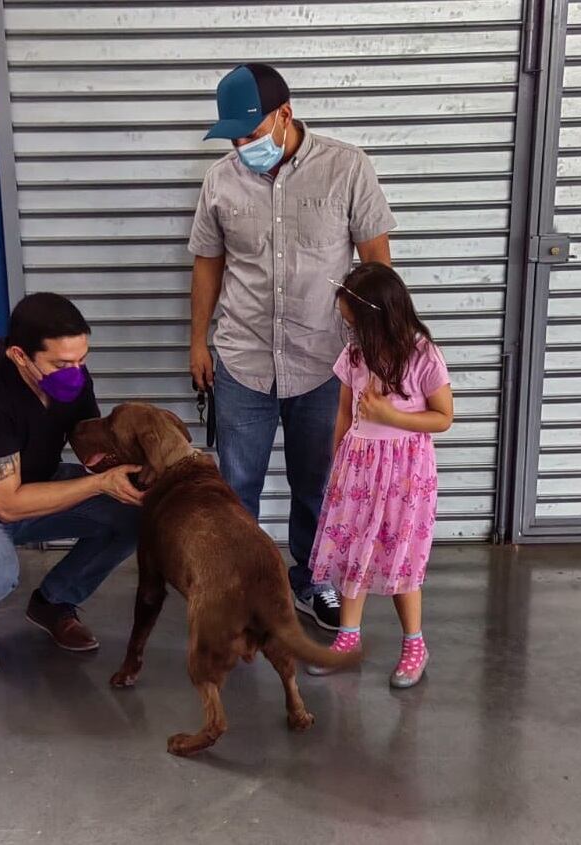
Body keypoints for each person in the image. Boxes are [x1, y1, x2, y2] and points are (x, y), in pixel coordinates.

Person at [188, 63, 396, 631]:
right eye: (232, 136)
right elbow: (209, 266)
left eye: (250, 134)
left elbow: (377, 265)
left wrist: (380, 355)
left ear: (285, 114)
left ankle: (312, 580)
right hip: (242, 357)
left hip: (324, 360)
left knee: (318, 483)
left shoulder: (346, 168)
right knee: (236, 485)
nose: (240, 146)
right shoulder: (220, 181)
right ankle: (240, 586)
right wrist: (198, 342)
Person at [0, 293, 143, 672]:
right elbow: (6, 505)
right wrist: (100, 484)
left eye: (82, 359)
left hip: (38, 483)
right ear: (20, 356)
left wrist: (148, 456)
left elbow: (91, 447)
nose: (76, 371)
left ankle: (54, 601)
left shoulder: (70, 378)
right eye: (62, 363)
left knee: (138, 511)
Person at [305, 263, 453, 688]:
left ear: (380, 318)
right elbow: (343, 411)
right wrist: (336, 461)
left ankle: (414, 645)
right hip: (360, 468)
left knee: (400, 558)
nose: (349, 334)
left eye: (354, 325)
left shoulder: (423, 354)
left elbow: (444, 418)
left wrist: (390, 414)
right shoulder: (355, 355)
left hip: (405, 474)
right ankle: (347, 641)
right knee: (353, 553)